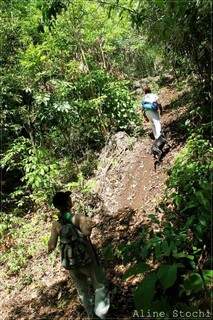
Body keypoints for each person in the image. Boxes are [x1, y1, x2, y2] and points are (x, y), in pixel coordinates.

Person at [48, 191, 110, 319]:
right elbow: (87, 232)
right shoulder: (77, 217)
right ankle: (101, 315)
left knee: (82, 291)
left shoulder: (55, 224)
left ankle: (90, 315)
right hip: (88, 259)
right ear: (68, 203)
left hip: (71, 263)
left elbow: (51, 245)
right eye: (69, 198)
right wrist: (89, 224)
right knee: (99, 285)